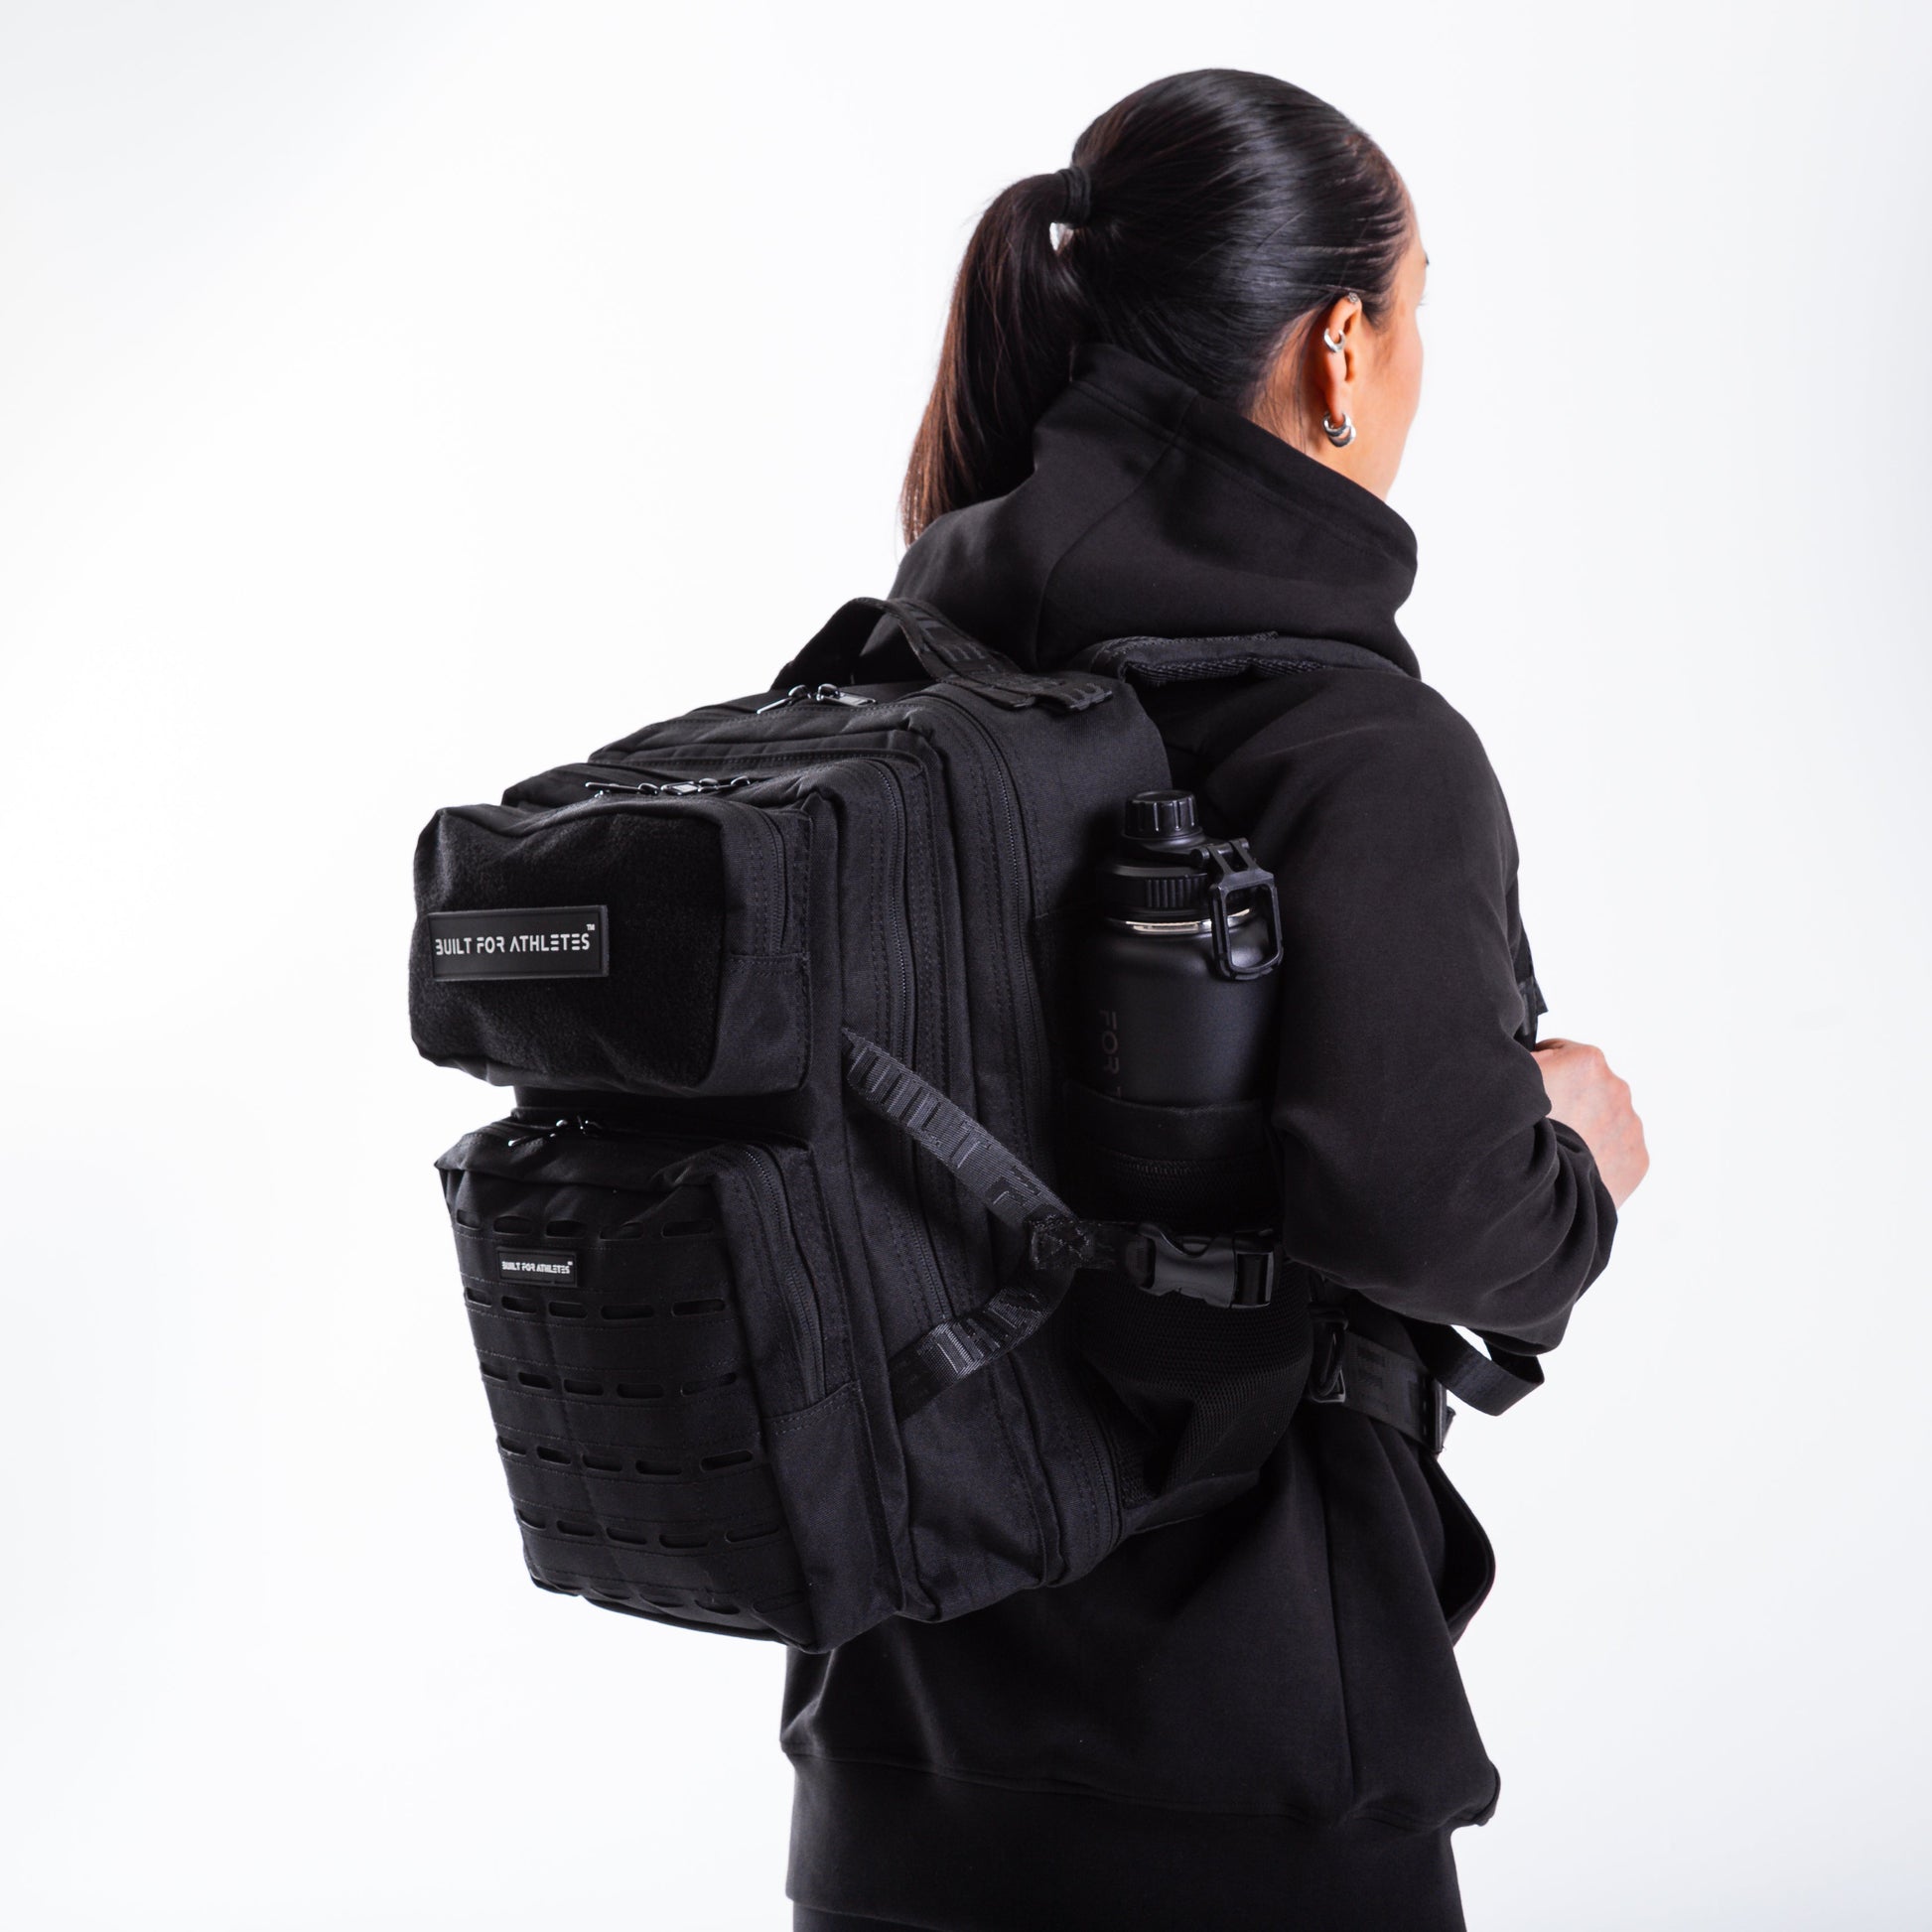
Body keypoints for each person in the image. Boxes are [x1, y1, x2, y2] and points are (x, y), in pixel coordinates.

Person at [785, 69, 1647, 1932]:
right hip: (1244, 1782)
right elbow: (1436, 1209)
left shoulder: (882, 697)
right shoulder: (1358, 748)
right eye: (1414, 311)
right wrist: (1572, 1149)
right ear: (1339, 349)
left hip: (890, 1758)